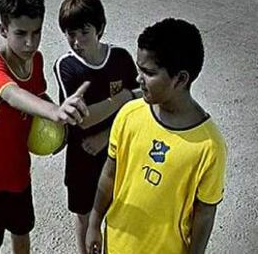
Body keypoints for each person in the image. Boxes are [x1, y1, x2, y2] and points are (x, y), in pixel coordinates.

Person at [85, 18, 227, 254]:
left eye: (149, 72)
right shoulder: (129, 113)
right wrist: (93, 223)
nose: (139, 79)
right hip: (116, 244)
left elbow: (205, 213)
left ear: (180, 79)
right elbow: (109, 174)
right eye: (139, 69)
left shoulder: (209, 146)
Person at [0, 0, 89, 254]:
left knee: (22, 231)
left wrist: (58, 117)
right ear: (3, 30)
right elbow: (12, 94)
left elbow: (38, 93)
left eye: (36, 33)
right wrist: (54, 112)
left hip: (18, 168)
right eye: (20, 34)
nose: (30, 43)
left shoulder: (36, 59)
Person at [53, 0, 140, 254]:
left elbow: (140, 106)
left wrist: (107, 137)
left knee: (117, 212)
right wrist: (121, 98)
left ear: (100, 28)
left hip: (118, 152)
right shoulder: (66, 66)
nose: (77, 41)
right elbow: (82, 119)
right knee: (84, 215)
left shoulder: (121, 59)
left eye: (84, 32)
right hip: (81, 158)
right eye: (70, 34)